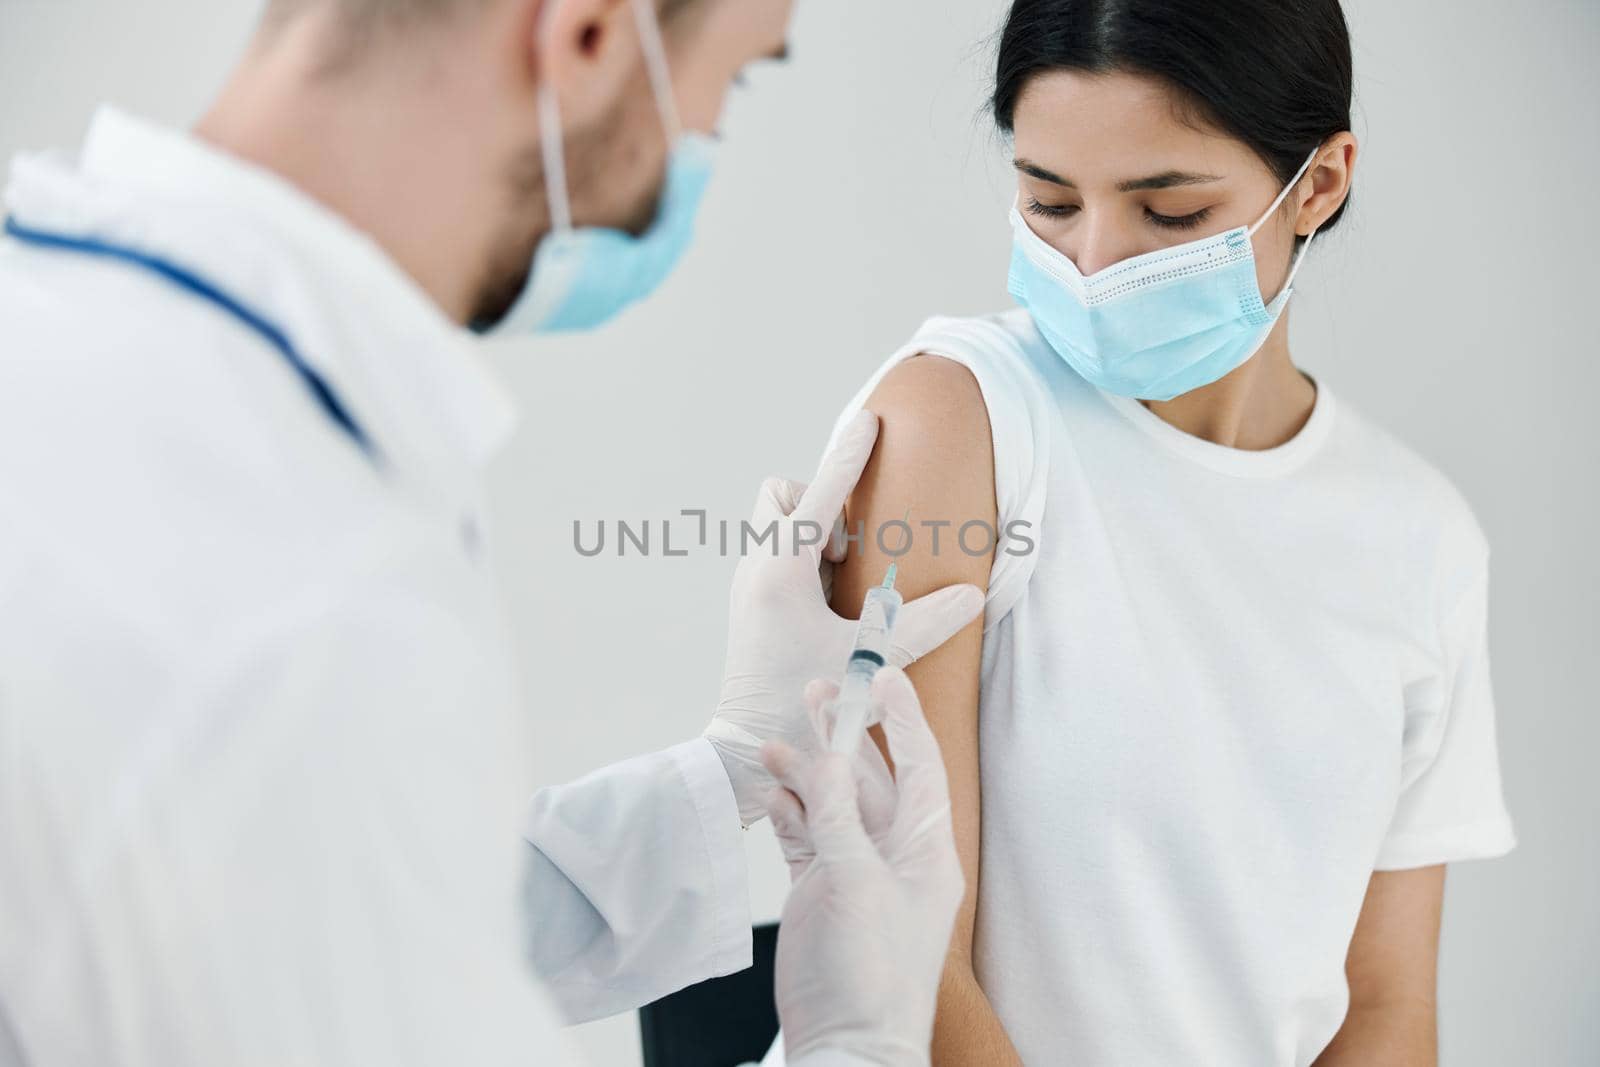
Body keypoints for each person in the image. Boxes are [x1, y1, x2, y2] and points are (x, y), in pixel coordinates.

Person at [0, 0, 982, 1063]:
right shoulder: (304, 602)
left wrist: (732, 765)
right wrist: (852, 1041)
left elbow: (335, 899)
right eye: (730, 83)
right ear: (590, 36)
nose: (706, 139)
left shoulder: (70, 336)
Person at [821, 1, 1516, 1064]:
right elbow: (899, 956)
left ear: (1317, 184)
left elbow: (1382, 1006)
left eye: (1170, 213)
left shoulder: (1419, 535)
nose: (1094, 264)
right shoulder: (959, 426)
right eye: (1049, 202)